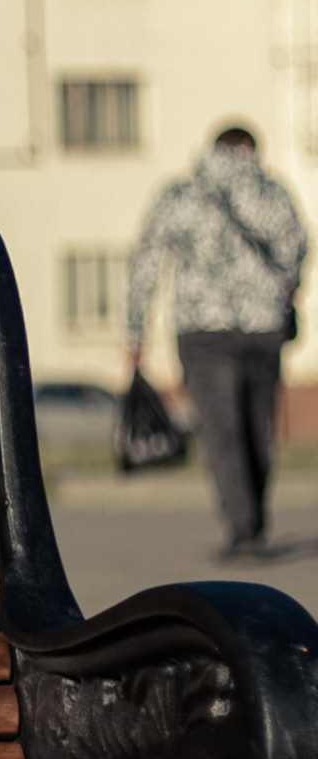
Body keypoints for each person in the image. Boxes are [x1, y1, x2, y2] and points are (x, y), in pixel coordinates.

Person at [127, 123, 309, 559]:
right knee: (257, 428)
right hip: (263, 328)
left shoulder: (181, 195)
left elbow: (147, 262)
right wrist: (284, 289)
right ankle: (254, 519)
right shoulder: (271, 193)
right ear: (251, 151)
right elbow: (298, 246)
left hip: (202, 332)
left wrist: (135, 331)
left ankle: (244, 527)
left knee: (221, 431)